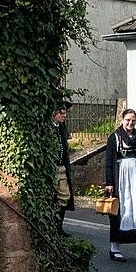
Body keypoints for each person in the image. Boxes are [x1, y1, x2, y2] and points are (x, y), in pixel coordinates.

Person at [104, 108, 136, 262]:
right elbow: (108, 162)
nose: (130, 123)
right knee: (121, 211)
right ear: (122, 119)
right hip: (122, 179)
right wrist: (109, 182)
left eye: (133, 120)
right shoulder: (114, 137)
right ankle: (114, 249)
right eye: (128, 119)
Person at [53, 100, 74, 237]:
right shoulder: (49, 128)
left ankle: (58, 226)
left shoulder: (61, 128)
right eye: (61, 113)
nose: (64, 116)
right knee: (53, 197)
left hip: (61, 168)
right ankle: (53, 226)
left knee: (65, 196)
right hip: (52, 168)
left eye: (65, 113)